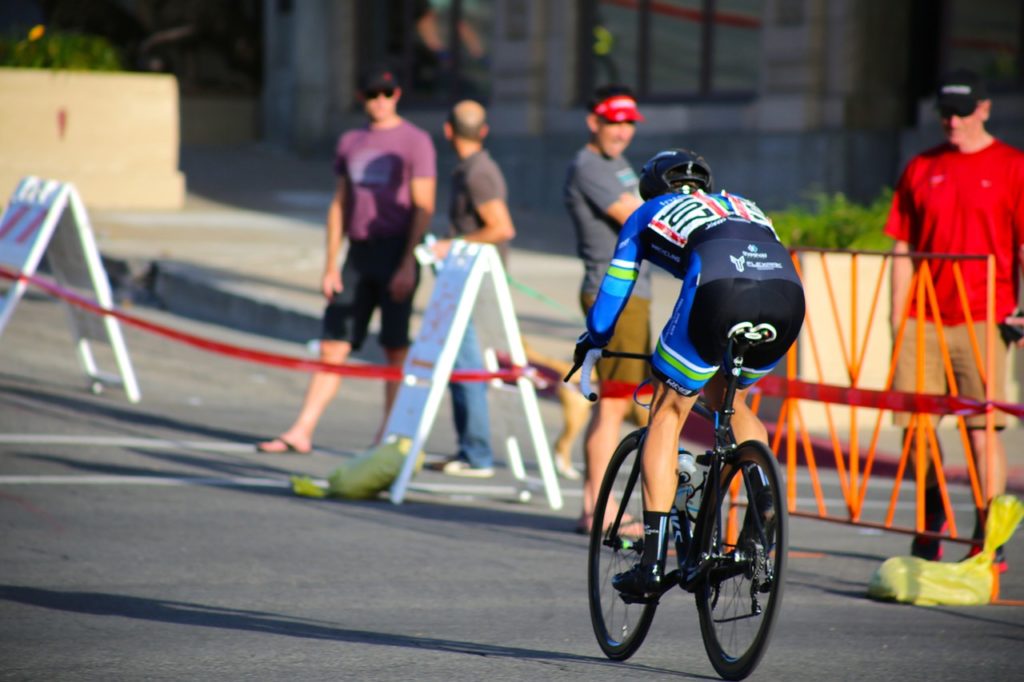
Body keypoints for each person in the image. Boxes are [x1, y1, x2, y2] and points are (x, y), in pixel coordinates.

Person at [573, 149, 805, 599]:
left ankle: (653, 561)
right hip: (785, 297)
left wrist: (595, 338)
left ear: (652, 187)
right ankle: (763, 508)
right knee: (730, 400)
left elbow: (617, 283)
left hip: (718, 289)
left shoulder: (648, 211)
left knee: (666, 410)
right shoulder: (744, 204)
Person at [885, 69, 1024, 572]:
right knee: (916, 426)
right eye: (945, 112)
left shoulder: (1013, 166)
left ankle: (990, 531)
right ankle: (933, 512)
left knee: (982, 428)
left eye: (962, 112)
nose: (952, 121)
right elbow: (902, 247)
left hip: (984, 315)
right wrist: (895, 319)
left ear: (985, 109)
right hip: (923, 315)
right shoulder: (922, 166)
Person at [256, 66, 436, 454]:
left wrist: (408, 263)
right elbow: (340, 203)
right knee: (332, 345)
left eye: (387, 93)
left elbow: (424, 207)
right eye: (372, 94)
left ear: (397, 94)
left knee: (394, 348)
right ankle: (301, 429)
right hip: (358, 252)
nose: (380, 101)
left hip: (396, 250)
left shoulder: (415, 141)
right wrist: (330, 263)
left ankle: (386, 437)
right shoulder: (351, 140)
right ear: (361, 97)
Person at [565, 84, 652, 533]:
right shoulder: (589, 166)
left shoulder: (616, 164)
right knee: (614, 404)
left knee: (617, 404)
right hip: (613, 294)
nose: (621, 131)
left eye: (628, 123)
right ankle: (601, 510)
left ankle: (591, 506)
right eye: (613, 121)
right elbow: (634, 216)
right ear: (593, 121)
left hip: (632, 295)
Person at [428, 99, 515, 477]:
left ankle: (476, 454)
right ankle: (469, 449)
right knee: (460, 365)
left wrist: (453, 245)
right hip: (467, 280)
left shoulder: (478, 172)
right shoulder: (473, 167)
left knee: (466, 366)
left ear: (448, 130)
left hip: (475, 283)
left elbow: (501, 227)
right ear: (483, 131)